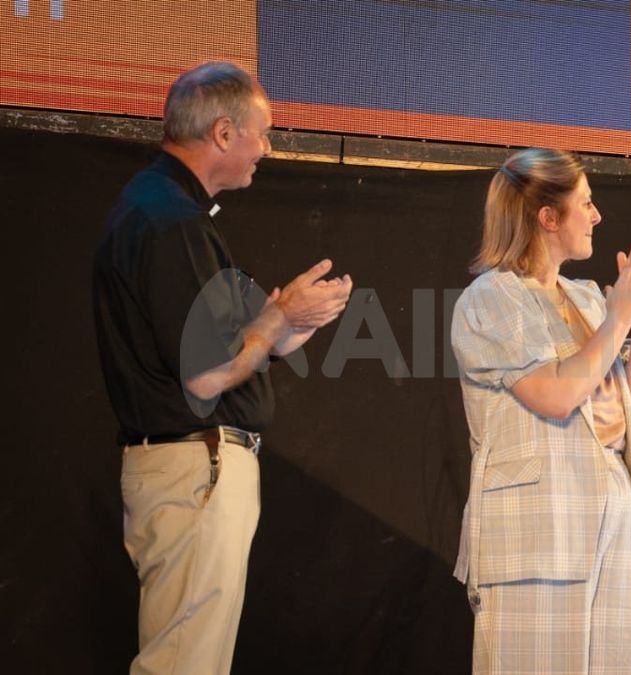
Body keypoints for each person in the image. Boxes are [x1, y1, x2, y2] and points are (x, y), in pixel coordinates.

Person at [93, 62, 352, 675]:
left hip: (193, 469)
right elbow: (208, 374)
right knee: (184, 662)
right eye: (263, 133)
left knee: (192, 658)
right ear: (224, 133)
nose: (268, 147)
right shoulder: (169, 221)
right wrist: (280, 315)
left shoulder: (173, 214)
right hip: (194, 469)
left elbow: (257, 342)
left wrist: (294, 318)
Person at [450, 148, 631, 673]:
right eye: (586, 204)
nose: (597, 216)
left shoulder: (588, 298)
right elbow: (553, 394)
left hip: (607, 528)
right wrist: (618, 320)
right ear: (548, 218)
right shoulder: (491, 298)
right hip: (538, 536)